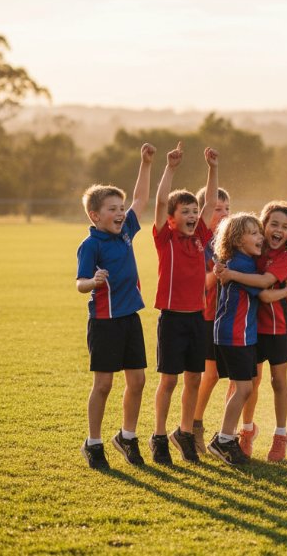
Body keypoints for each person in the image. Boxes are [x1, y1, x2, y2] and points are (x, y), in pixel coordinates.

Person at [215, 201, 287, 461]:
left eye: (285, 227)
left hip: (277, 327)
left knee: (278, 381)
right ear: (262, 226)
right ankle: (246, 431)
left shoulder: (284, 258)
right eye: (273, 224)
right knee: (249, 382)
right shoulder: (253, 249)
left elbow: (264, 292)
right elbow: (229, 247)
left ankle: (280, 436)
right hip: (250, 328)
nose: (278, 230)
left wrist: (283, 291)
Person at [76, 143, 155, 469]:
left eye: (121, 208)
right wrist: (93, 282)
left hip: (129, 319)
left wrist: (145, 163)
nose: (121, 212)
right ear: (96, 215)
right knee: (104, 384)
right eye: (113, 208)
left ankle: (127, 436)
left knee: (137, 381)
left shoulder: (124, 234)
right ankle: (93, 443)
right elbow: (80, 284)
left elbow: (140, 199)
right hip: (105, 322)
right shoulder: (90, 245)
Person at [149, 143, 219, 464]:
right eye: (186, 213)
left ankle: (185, 433)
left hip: (197, 320)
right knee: (170, 380)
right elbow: (162, 200)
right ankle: (160, 436)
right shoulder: (166, 238)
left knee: (194, 378)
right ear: (172, 219)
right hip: (172, 319)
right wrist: (171, 168)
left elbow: (209, 203)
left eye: (195, 212)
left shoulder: (201, 237)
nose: (193, 216)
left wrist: (212, 168)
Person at [208, 213, 287, 465]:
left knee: (241, 386)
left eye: (258, 231)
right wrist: (285, 290)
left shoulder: (235, 262)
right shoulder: (243, 266)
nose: (260, 237)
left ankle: (227, 437)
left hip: (233, 335)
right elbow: (264, 294)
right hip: (236, 336)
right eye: (253, 233)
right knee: (244, 388)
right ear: (236, 239)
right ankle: (223, 439)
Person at [191, 186, 231, 453]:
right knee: (210, 374)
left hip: (229, 315)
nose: (224, 213)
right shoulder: (200, 243)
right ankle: (194, 426)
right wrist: (218, 273)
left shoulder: (231, 239)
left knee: (242, 378)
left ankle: (232, 433)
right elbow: (200, 283)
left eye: (227, 208)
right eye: (217, 209)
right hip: (206, 316)